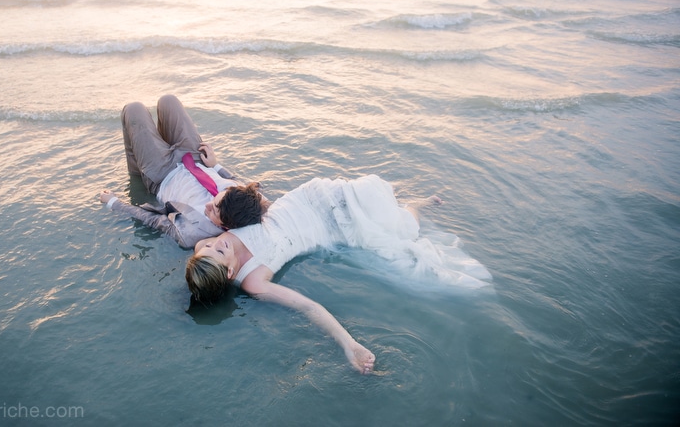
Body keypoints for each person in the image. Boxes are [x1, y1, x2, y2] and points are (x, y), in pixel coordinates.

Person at [186, 174, 492, 374]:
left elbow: (243, 209)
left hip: (309, 199)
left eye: (210, 246)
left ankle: (399, 200)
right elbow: (309, 306)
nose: (217, 242)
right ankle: (416, 206)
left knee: (374, 205)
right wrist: (349, 343)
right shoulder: (253, 282)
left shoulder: (208, 247)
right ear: (229, 273)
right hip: (321, 228)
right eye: (219, 250)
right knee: (401, 230)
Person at [99, 95, 266, 248]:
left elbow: (153, 220)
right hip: (196, 160)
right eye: (216, 200)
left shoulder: (192, 233)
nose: (208, 205)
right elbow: (235, 180)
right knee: (168, 101)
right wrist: (216, 165)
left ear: (227, 226)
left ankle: (137, 172)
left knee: (133, 109)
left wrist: (114, 203)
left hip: (163, 175)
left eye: (214, 211)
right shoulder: (251, 201)